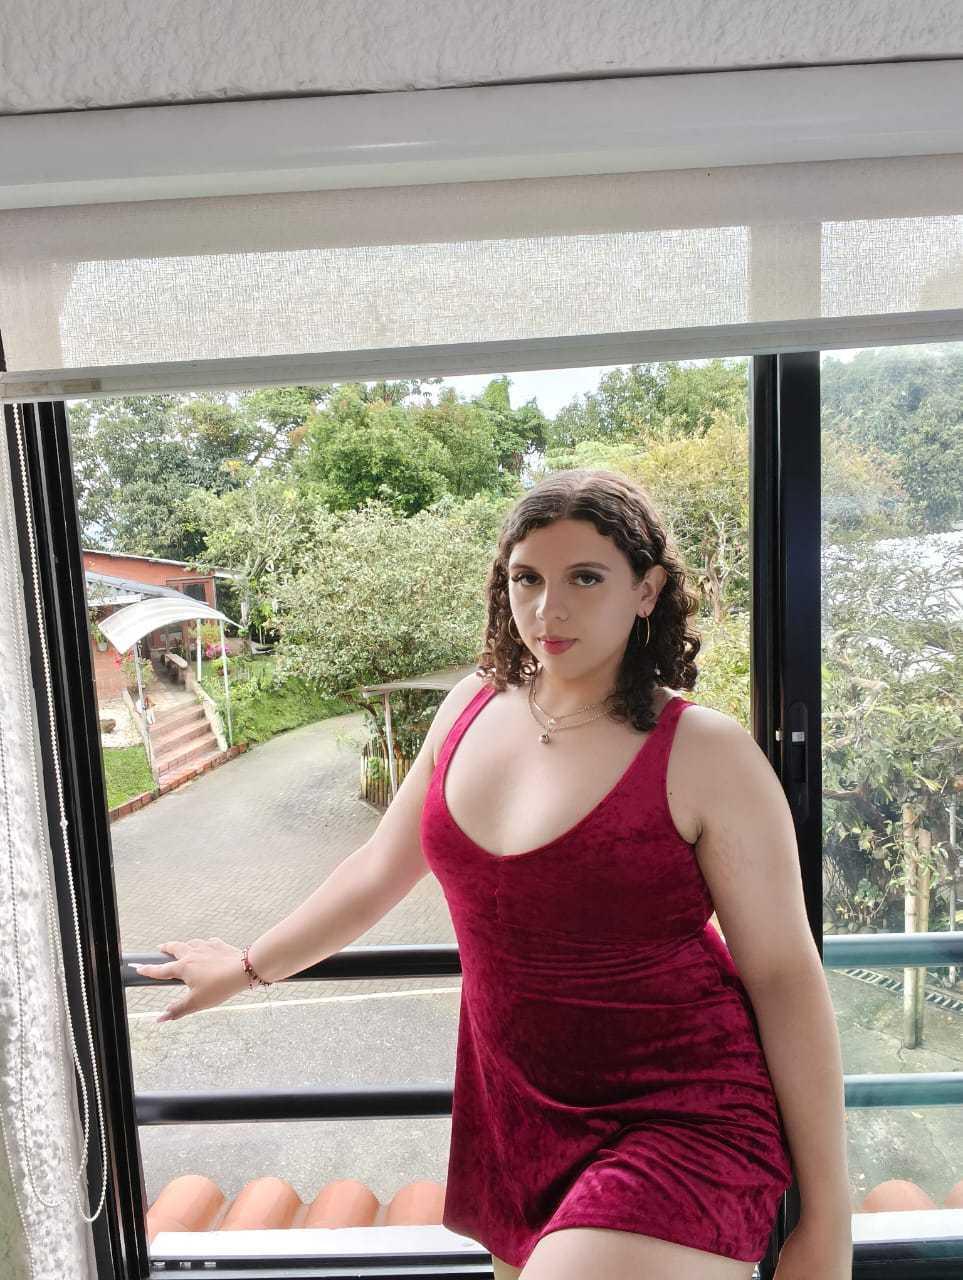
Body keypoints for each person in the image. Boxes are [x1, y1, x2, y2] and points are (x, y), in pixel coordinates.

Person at [131, 469, 852, 1280]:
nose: (548, 609)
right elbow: (377, 869)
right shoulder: (469, 705)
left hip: (681, 1117)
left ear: (646, 591)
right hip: (512, 1119)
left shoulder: (706, 752)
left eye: (585, 578)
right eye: (526, 578)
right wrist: (246, 967)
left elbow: (783, 974)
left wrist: (827, 1217)